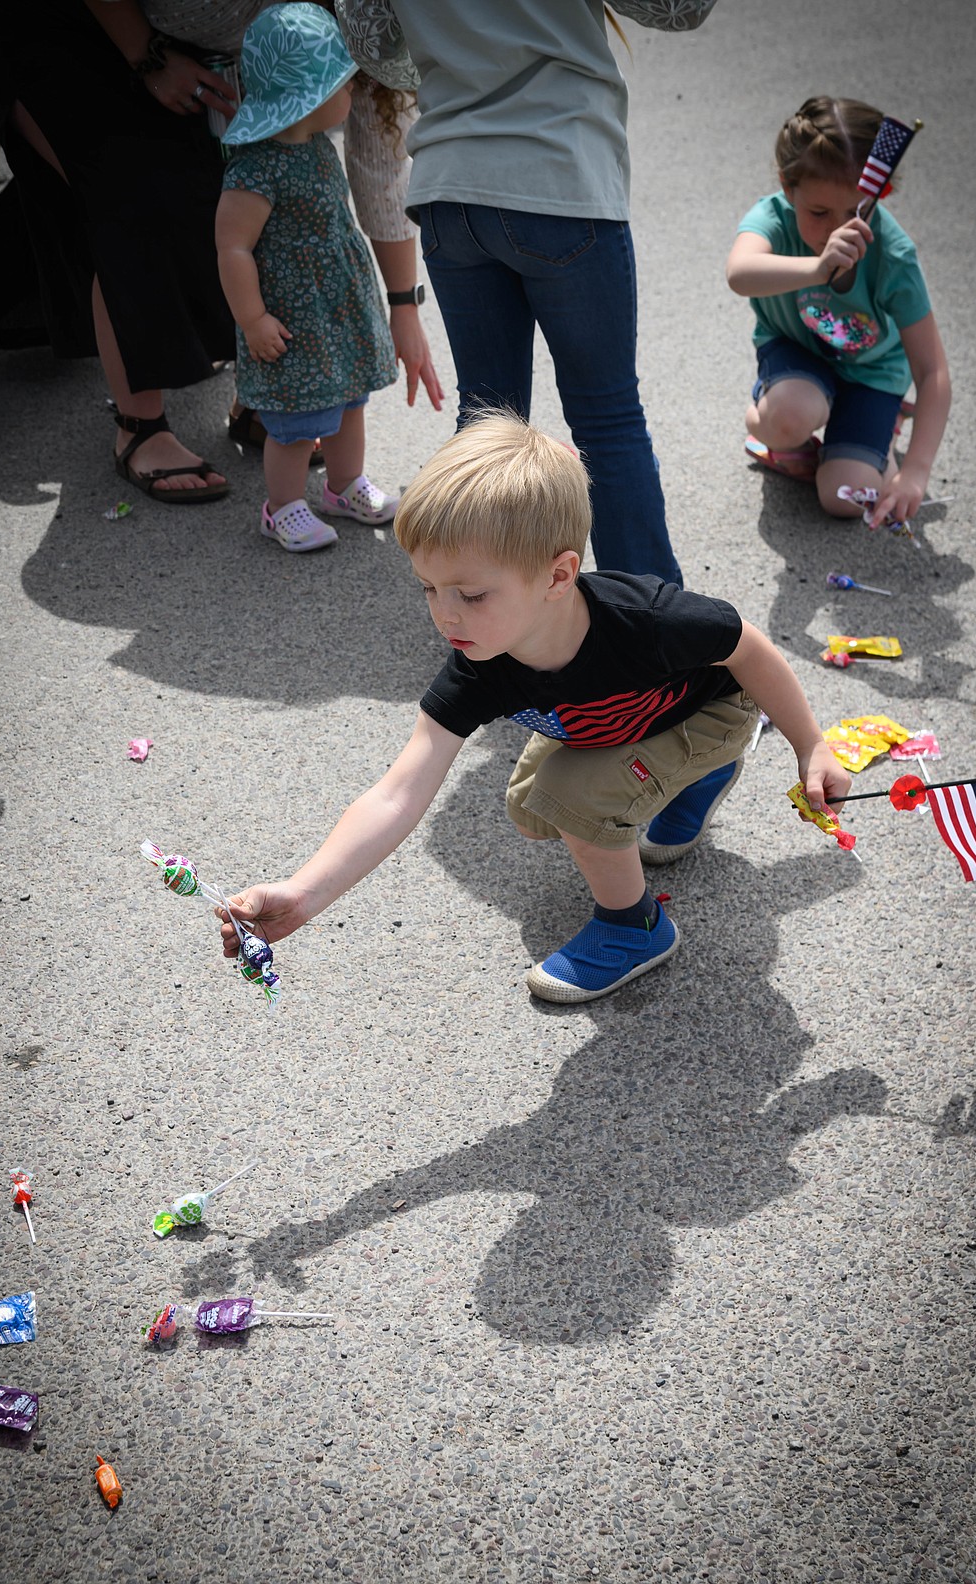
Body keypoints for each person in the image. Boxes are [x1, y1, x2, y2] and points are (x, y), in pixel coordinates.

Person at [218, 412, 851, 1004]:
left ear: (557, 575)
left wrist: (810, 744)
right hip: (624, 722)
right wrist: (305, 892)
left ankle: (636, 925)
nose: (444, 613)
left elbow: (748, 649)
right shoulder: (481, 660)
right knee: (531, 806)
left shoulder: (648, 620)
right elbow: (397, 793)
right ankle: (695, 782)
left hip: (711, 714)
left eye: (469, 593)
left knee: (572, 799)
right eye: (429, 588)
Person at [333, 0, 721, 587]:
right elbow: (679, 9)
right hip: (559, 173)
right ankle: (649, 627)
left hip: (449, 186)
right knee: (606, 416)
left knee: (487, 418)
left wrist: (458, 53)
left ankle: (478, 607)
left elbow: (372, 41)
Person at [0, 0, 238, 502]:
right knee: (132, 195)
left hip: (175, 25)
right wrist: (150, 56)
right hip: (58, 24)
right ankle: (140, 425)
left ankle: (265, 396)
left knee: (243, 181)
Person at [216, 4, 400, 551]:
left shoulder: (318, 146)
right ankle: (283, 506)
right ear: (309, 96)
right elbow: (233, 247)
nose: (352, 93)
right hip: (293, 319)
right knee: (297, 420)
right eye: (343, 84)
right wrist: (252, 319)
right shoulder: (254, 168)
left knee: (348, 403)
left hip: (336, 309)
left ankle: (342, 486)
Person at [726, 95, 951, 529]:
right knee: (785, 418)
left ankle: (877, 433)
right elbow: (740, 274)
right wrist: (817, 267)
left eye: (857, 211)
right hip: (797, 355)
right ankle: (785, 439)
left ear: (880, 195)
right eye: (819, 212)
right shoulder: (772, 216)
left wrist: (916, 472)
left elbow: (932, 371)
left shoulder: (893, 254)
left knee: (845, 499)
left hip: (872, 372)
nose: (839, 229)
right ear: (788, 187)